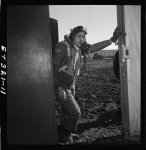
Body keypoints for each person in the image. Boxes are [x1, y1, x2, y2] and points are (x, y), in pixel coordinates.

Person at [53, 26, 122, 144]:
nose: (82, 39)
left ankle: (62, 132)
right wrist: (59, 88)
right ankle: (66, 133)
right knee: (75, 112)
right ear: (72, 35)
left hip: (71, 83)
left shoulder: (80, 48)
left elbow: (96, 46)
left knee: (66, 110)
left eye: (84, 37)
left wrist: (112, 39)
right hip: (62, 85)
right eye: (79, 36)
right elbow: (54, 68)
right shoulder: (62, 46)